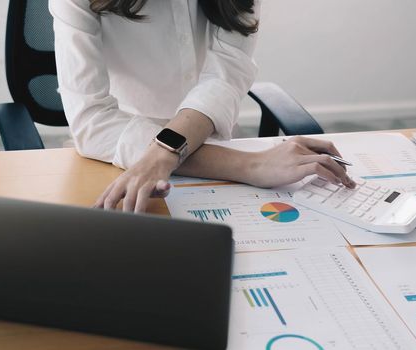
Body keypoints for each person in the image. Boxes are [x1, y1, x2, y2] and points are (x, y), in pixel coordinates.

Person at [50, 0, 355, 213]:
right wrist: (250, 165)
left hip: (210, 145)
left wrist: (164, 154)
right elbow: (91, 122)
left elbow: (225, 75)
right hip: (114, 156)